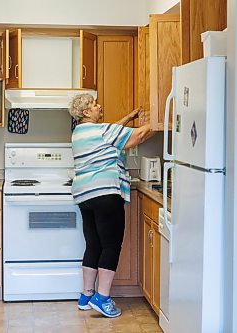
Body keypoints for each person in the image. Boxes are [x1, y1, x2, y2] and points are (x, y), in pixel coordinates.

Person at [69, 93, 154, 318]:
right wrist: (157, 120)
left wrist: (128, 117)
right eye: (95, 105)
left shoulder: (79, 133)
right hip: (106, 193)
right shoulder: (101, 131)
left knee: (94, 244)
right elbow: (137, 137)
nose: (100, 106)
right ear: (87, 112)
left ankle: (86, 296)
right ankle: (103, 298)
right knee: (111, 246)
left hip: (85, 196)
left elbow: (110, 130)